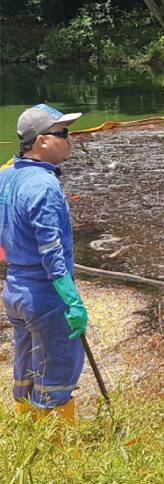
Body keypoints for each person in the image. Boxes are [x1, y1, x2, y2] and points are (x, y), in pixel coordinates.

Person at [0, 104, 88, 423]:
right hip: (45, 296)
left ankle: (26, 432)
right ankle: (57, 447)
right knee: (58, 375)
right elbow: (52, 252)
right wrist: (72, 300)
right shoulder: (45, 186)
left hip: (15, 290)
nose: (70, 139)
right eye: (62, 133)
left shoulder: (6, 175)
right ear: (41, 141)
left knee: (26, 367)